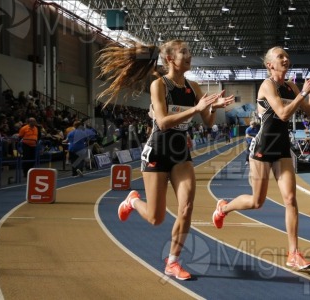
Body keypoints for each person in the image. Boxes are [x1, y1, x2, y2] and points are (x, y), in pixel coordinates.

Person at [97, 40, 234, 280]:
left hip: (181, 154)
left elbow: (209, 123)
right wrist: (196, 109)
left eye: (190, 52)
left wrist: (213, 108)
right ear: (170, 59)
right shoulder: (159, 85)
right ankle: (132, 202)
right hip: (158, 151)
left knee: (187, 207)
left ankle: (172, 262)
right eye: (184, 52)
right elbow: (161, 122)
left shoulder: (194, 88)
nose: (189, 56)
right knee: (155, 218)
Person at [212, 46, 310, 270]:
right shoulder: (267, 85)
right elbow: (282, 113)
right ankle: (223, 207)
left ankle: (293, 253)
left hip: (281, 147)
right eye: (280, 56)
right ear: (270, 64)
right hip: (262, 147)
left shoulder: (291, 86)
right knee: (257, 201)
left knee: (290, 199)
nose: (286, 59)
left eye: (287, 56)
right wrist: (303, 93)